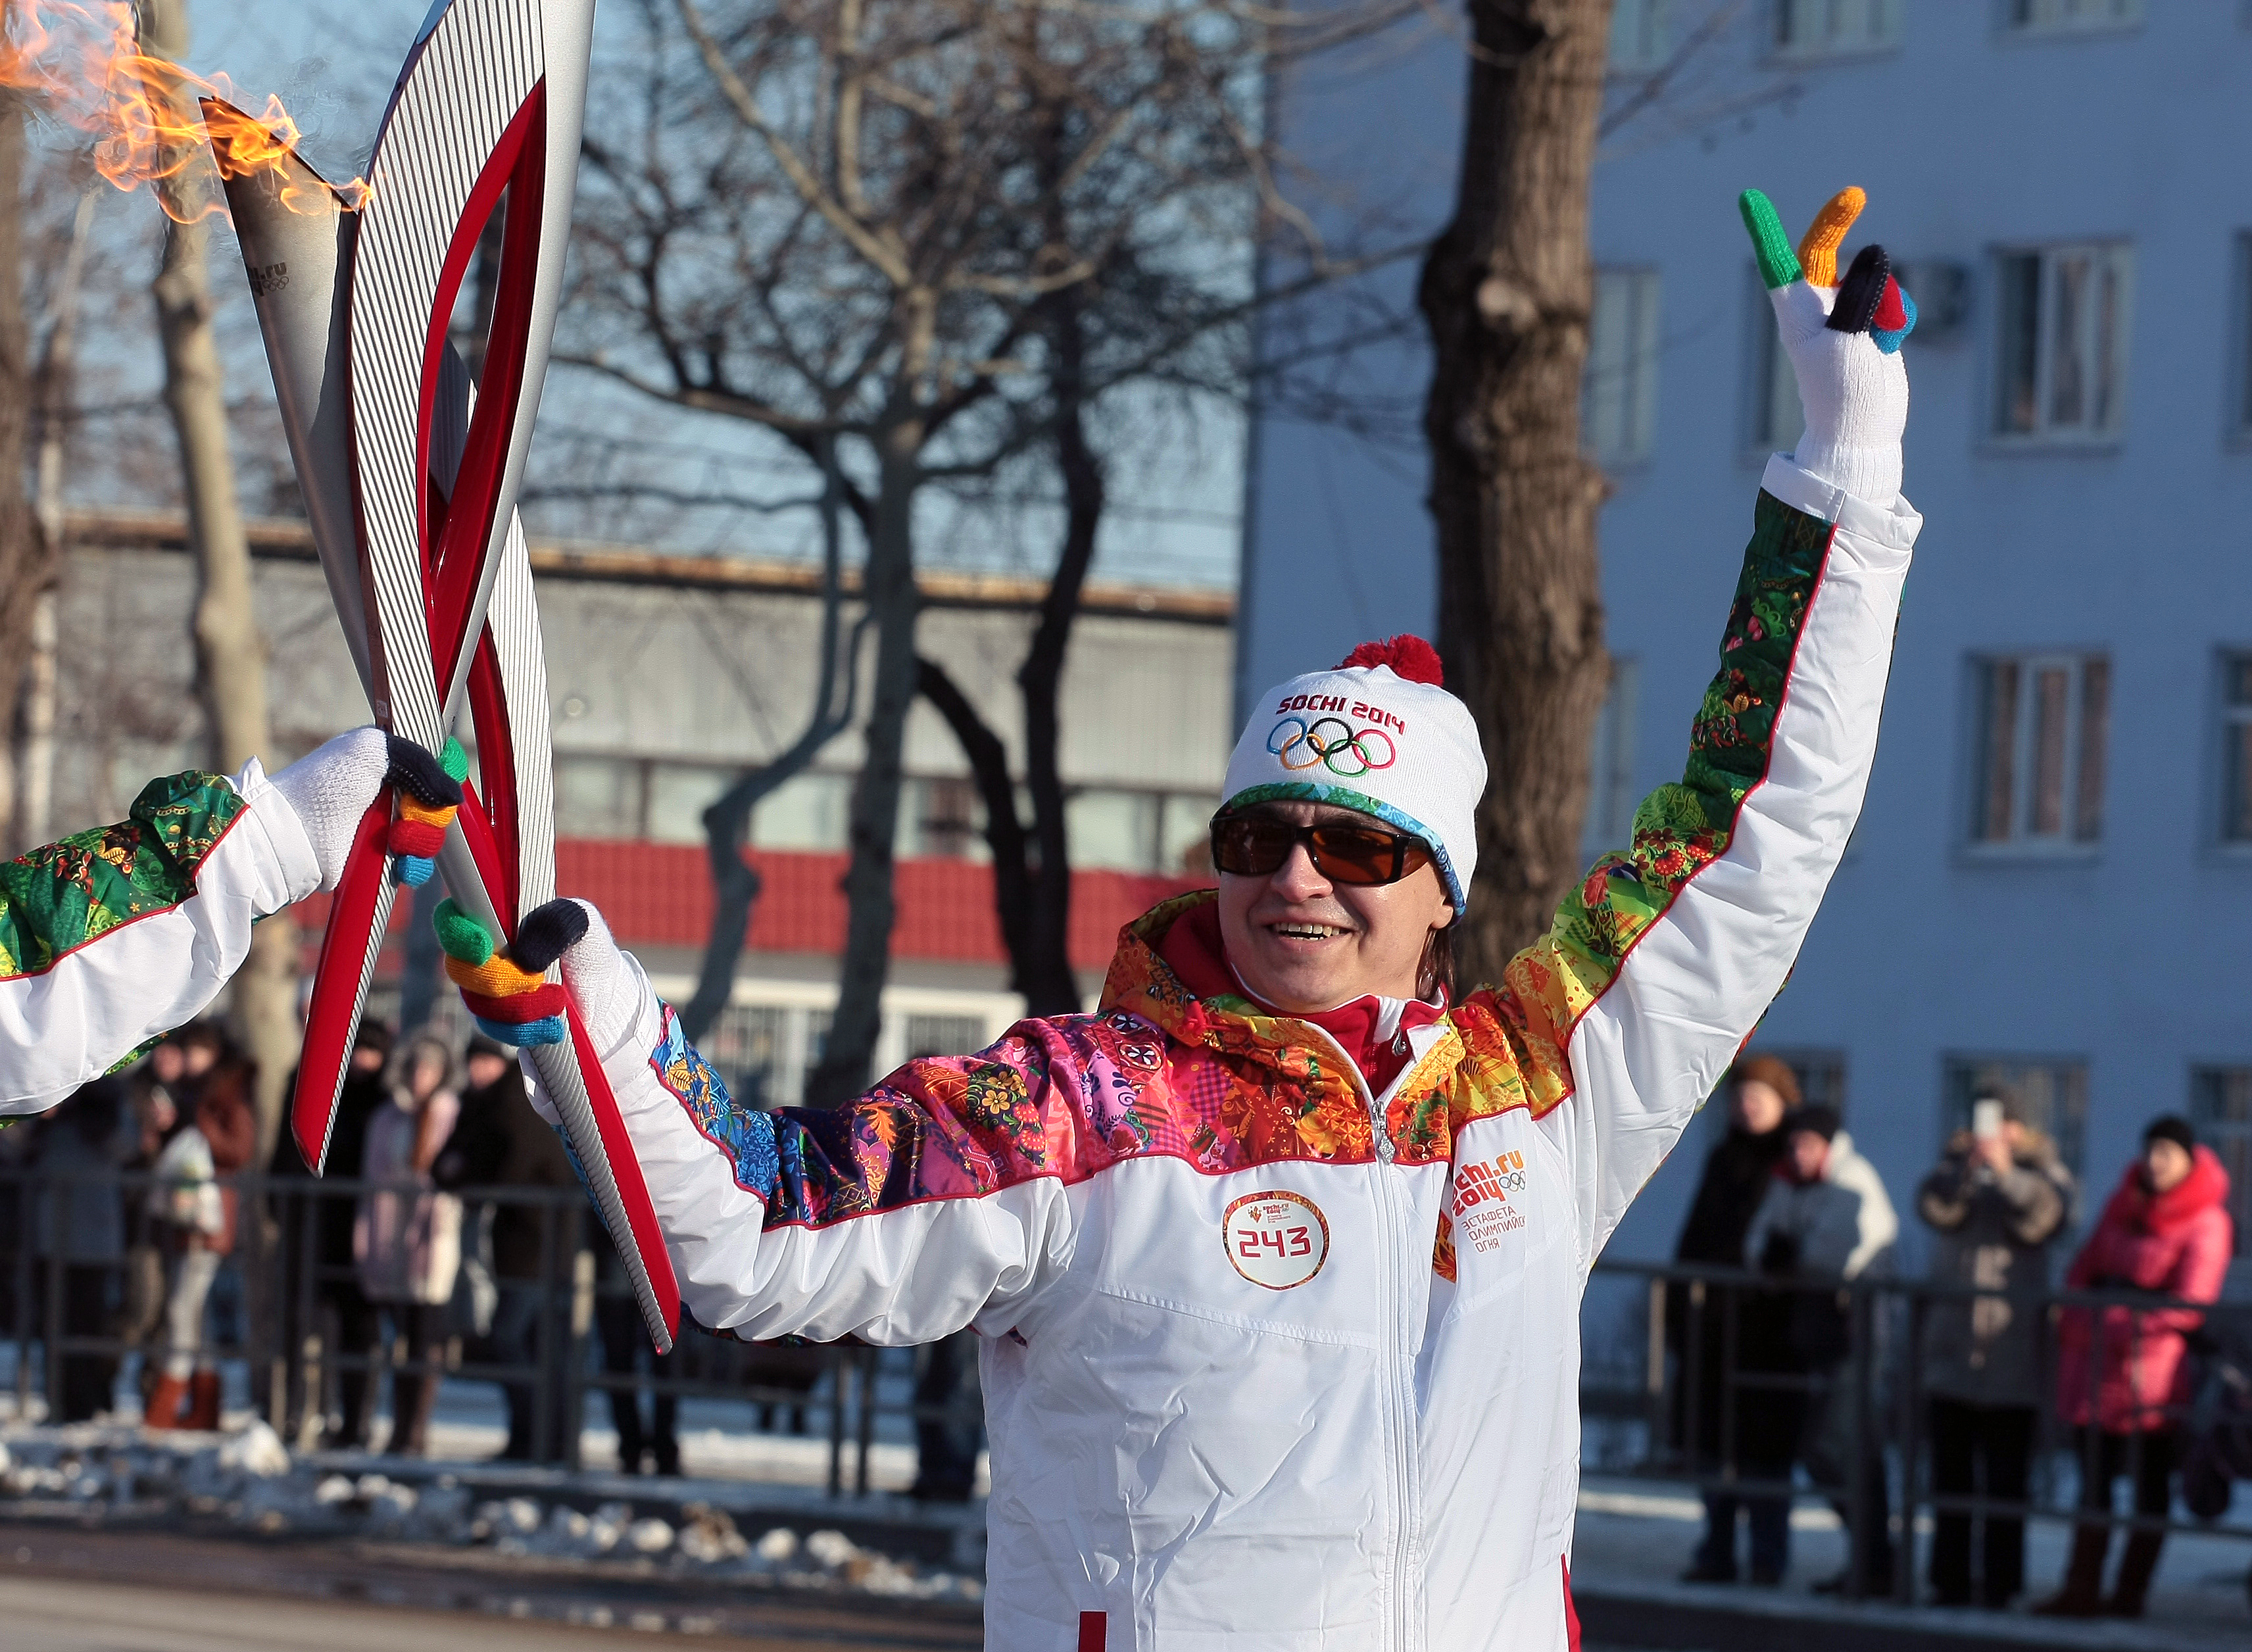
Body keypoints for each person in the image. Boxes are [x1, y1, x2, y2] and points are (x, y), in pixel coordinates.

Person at [0, 185, 1924, 1648]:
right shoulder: (1086, 1109)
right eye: (1257, 836)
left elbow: (1754, 822)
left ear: (1442, 889)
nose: (1292, 881)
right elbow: (752, 1222)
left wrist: (1839, 474)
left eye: (1352, 847)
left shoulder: (1538, 1091)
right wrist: (567, 992)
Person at [2036, 1117, 2232, 1618]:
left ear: (2190, 1160)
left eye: (2168, 1153)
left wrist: (2111, 1320)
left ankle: (2129, 1594)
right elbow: (2083, 1269)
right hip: (2095, 1370)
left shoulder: (2207, 1221)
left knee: (2147, 1488)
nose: (2155, 1162)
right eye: (2151, 1151)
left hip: (2154, 1379)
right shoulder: (2122, 1203)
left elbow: (2190, 1305)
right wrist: (2085, 1316)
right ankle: (2080, 1588)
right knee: (2093, 1483)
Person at [1916, 1085, 2074, 1609]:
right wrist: (1968, 1172)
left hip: (2013, 1351)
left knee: (2007, 1479)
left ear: (2018, 1128)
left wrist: (2006, 1174)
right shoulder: (1954, 1167)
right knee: (1950, 1474)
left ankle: (2002, 1584)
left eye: (2001, 1122)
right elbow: (1934, 1209)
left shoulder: (2046, 1170)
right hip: (1953, 1346)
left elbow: (2047, 1218)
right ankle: (1949, 1580)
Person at [1742, 1104, 1899, 1592]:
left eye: (1808, 1144)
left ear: (1830, 1145)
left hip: (1857, 1336)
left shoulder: (1854, 1181)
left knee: (1838, 1447)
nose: (1798, 1153)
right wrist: (1777, 1256)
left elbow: (1839, 1255)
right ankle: (1872, 1563)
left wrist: (1791, 1257)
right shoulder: (1789, 1180)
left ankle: (1876, 1563)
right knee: (1836, 1450)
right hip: (1817, 1335)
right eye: (1794, 1144)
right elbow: (1758, 1243)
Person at [1674, 1052, 1796, 1584]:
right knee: (1713, 1448)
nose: (1747, 1107)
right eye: (1741, 1096)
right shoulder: (1723, 1158)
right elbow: (1697, 1235)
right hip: (1715, 1329)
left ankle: (1768, 1557)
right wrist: (1682, 1305)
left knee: (1764, 1453)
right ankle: (1717, 1549)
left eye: (1759, 1097)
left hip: (1769, 1332)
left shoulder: (1791, 1165)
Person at [433, 1034, 578, 1462]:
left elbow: (509, 1167)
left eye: (485, 1062)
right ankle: (534, 1438)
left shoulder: (519, 1101)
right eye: (473, 1062)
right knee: (533, 1345)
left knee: (514, 1338)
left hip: (541, 1247)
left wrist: (471, 1182)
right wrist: (464, 1175)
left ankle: (539, 1436)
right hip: (519, 1246)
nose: (478, 1071)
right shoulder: (482, 1104)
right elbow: (448, 1163)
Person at [271, 1018, 395, 1447]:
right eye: (360, 1050)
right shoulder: (309, 1087)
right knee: (302, 1325)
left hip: (358, 1231)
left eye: (373, 1052)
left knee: (358, 1330)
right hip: (310, 1223)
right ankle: (295, 1417)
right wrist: (279, 1204)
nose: (364, 1060)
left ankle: (354, 1421)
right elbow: (284, 1151)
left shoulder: (383, 1101)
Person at [351, 1032, 462, 1456]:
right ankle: (396, 1428)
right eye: (415, 1068)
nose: (421, 1077)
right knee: (395, 1339)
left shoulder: (450, 1115)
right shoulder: (387, 1118)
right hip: (390, 1241)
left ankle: (415, 1428)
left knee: (424, 1338)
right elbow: (373, 1181)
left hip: (431, 1243)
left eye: (430, 1069)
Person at [147, 1054, 257, 1431]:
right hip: (191, 1222)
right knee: (198, 1317)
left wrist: (204, 1128)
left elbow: (239, 1152)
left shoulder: (229, 1107)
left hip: (211, 1225)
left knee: (183, 1311)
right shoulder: (201, 1104)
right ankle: (204, 1408)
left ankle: (167, 1405)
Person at [30, 1079, 133, 1422]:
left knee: (90, 1323)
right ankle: (59, 1399)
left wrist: (90, 1116)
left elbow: (127, 1144)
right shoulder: (46, 1094)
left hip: (92, 1236)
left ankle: (92, 1398)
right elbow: (19, 1149)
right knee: (54, 1320)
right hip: (53, 1236)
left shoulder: (109, 1099)